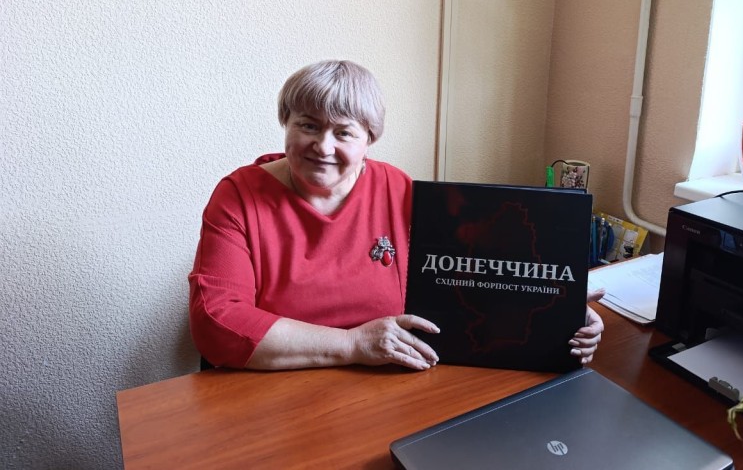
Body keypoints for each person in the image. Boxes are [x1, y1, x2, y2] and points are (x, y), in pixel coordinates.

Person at [189, 60, 605, 370]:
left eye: (343, 132)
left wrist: (555, 307)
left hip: (386, 381)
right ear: (286, 123)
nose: (323, 146)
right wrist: (352, 344)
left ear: (369, 139)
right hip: (274, 389)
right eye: (308, 126)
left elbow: (474, 275)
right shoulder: (238, 197)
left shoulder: (399, 190)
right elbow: (217, 324)